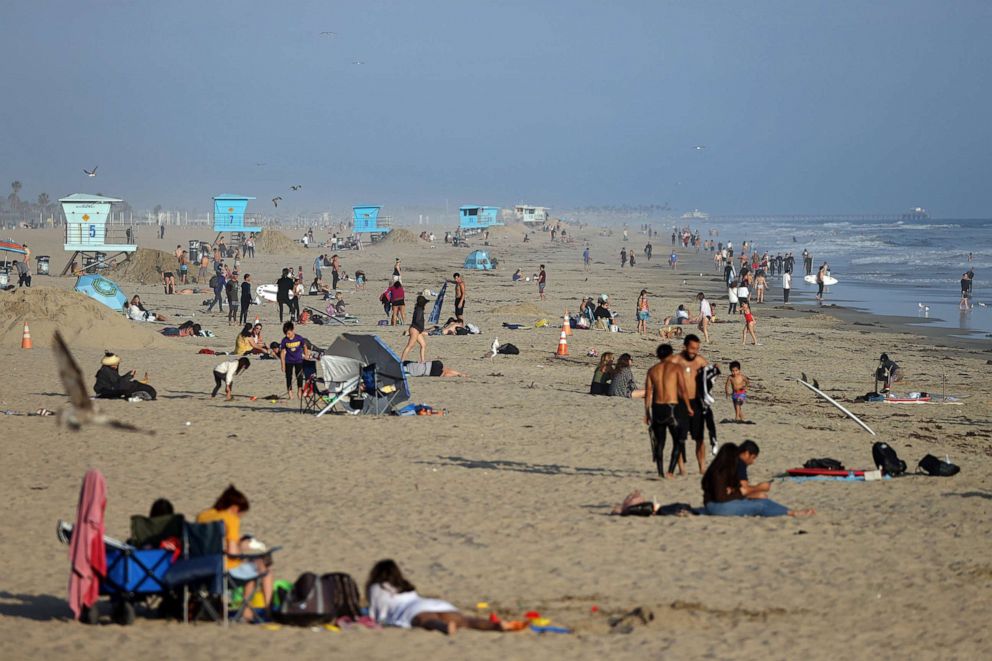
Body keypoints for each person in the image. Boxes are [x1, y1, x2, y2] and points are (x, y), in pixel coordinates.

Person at [366, 559, 516, 634]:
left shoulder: (376, 587)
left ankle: (445, 627)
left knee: (428, 621)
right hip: (433, 603)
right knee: (465, 620)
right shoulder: (404, 584)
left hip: (413, 610)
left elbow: (376, 613)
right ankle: (497, 625)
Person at [196, 486, 274, 619]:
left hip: (202, 570)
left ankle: (246, 611)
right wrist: (242, 546)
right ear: (234, 508)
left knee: (253, 568)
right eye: (240, 514)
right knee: (263, 568)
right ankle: (268, 611)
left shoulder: (203, 516)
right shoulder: (230, 519)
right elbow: (232, 553)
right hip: (225, 572)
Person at [702, 444, 813, 517]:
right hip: (716, 507)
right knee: (759, 506)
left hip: (722, 503)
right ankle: (792, 513)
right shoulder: (718, 473)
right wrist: (743, 494)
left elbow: (728, 493)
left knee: (764, 501)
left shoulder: (724, 471)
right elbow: (720, 497)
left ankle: (790, 511)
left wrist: (739, 493)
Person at [644, 343, 691, 478]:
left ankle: (660, 472)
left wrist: (647, 413)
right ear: (670, 355)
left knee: (660, 443)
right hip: (672, 407)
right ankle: (670, 471)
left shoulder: (652, 370)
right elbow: (683, 390)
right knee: (678, 441)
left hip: (658, 408)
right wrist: (688, 407)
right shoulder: (676, 368)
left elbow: (648, 394)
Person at [670, 334, 709, 475]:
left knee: (699, 438)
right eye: (692, 348)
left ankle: (702, 467)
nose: (694, 351)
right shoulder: (675, 360)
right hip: (679, 403)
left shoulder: (700, 361)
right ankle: (682, 468)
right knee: (680, 438)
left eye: (697, 349)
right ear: (685, 346)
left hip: (696, 402)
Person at [279, 321, 310, 399]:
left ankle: (300, 390)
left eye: (289, 333)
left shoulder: (299, 338)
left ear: (293, 330)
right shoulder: (284, 340)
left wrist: (306, 356)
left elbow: (305, 346)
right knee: (288, 377)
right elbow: (282, 353)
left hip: (299, 360)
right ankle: (290, 391)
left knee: (299, 376)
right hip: (288, 361)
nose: (287, 335)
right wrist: (282, 365)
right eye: (286, 333)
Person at [400, 295, 429, 363]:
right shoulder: (419, 310)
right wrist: (422, 328)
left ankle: (422, 360)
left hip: (417, 330)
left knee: (423, 344)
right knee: (410, 345)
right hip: (415, 330)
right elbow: (417, 320)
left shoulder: (419, 308)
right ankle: (401, 361)